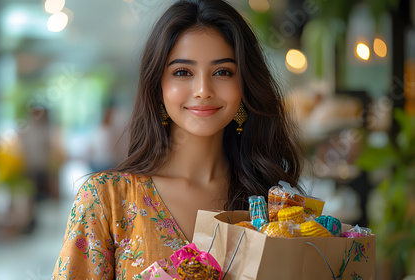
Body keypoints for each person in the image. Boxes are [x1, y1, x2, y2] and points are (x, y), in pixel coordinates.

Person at [52, 0, 303, 279]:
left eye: (223, 72)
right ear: (158, 86)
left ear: (244, 86)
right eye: (183, 72)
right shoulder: (105, 201)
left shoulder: (274, 206)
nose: (203, 90)